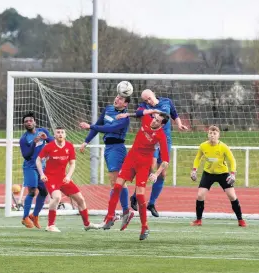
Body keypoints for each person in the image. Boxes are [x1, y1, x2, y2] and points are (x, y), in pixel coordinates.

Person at [101, 110, 170, 240]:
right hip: (130, 160)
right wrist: (128, 114)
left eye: (157, 120)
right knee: (117, 186)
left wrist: (156, 174)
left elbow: (166, 160)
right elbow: (140, 112)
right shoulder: (146, 121)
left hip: (144, 165)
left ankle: (144, 227)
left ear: (162, 124)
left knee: (139, 195)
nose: (154, 121)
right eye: (154, 118)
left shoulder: (161, 136)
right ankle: (110, 216)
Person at [128, 89, 188, 217]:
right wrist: (149, 110)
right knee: (151, 166)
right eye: (145, 100)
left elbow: (174, 114)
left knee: (162, 174)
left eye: (149, 98)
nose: (148, 101)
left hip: (166, 140)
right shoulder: (145, 107)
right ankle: (135, 195)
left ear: (154, 94)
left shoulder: (167, 101)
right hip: (152, 140)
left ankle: (152, 203)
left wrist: (179, 124)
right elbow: (138, 113)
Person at [79, 95, 133, 231]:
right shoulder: (108, 109)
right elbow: (98, 126)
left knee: (116, 182)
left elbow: (109, 129)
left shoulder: (124, 118)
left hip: (117, 148)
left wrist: (89, 126)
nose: (117, 99)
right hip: (108, 148)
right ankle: (121, 213)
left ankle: (118, 214)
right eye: (117, 97)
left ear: (125, 104)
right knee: (115, 183)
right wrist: (86, 141)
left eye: (121, 99)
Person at [36, 127, 99, 232]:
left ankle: (87, 224)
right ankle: (50, 225)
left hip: (63, 178)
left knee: (80, 199)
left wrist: (68, 176)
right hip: (50, 178)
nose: (60, 134)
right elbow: (38, 160)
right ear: (55, 135)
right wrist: (42, 174)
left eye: (62, 132)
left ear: (65, 135)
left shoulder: (69, 146)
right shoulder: (49, 146)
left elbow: (72, 163)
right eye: (58, 133)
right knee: (56, 197)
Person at [190, 125, 246, 227]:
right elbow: (198, 158)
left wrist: (233, 174)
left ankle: (240, 220)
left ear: (218, 135)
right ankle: (198, 220)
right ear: (208, 134)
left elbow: (232, 160)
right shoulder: (203, 146)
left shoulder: (223, 147)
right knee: (200, 195)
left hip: (223, 174)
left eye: (214, 133)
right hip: (208, 173)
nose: (212, 135)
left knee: (232, 196)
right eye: (210, 133)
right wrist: (194, 170)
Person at [19, 111, 54, 229]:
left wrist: (47, 138)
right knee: (32, 191)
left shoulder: (43, 131)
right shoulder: (24, 139)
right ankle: (25, 217)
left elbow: (53, 143)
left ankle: (34, 216)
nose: (28, 123)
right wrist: (34, 144)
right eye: (26, 121)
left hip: (42, 167)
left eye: (30, 120)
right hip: (30, 167)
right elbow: (26, 155)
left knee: (44, 192)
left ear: (35, 122)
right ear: (24, 124)